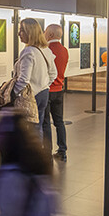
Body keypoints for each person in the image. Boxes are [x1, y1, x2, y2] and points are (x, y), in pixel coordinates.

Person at [12, 18, 55, 135]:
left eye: (22, 31)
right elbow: (53, 73)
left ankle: (28, 152)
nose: (19, 34)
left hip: (31, 96)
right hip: (44, 93)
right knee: (37, 128)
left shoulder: (28, 51)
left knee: (27, 132)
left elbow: (24, 79)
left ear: (29, 33)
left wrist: (13, 94)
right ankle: (37, 152)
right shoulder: (45, 49)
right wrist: (43, 84)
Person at [44, 24, 69, 161]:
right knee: (59, 121)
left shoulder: (46, 50)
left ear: (51, 35)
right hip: (59, 89)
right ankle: (62, 151)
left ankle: (47, 152)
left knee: (46, 122)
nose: (44, 33)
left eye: (46, 31)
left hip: (47, 90)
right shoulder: (64, 50)